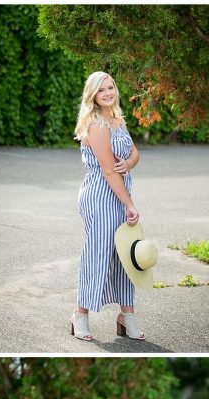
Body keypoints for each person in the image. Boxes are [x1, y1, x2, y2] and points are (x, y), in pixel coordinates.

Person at [71, 71, 144, 341]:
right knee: (98, 253)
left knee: (126, 255)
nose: (108, 93)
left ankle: (128, 316)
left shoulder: (118, 119)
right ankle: (80, 314)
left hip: (120, 192)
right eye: (102, 90)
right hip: (100, 195)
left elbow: (134, 154)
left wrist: (129, 163)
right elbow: (108, 170)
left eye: (110, 87)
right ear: (93, 95)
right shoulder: (97, 124)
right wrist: (130, 204)